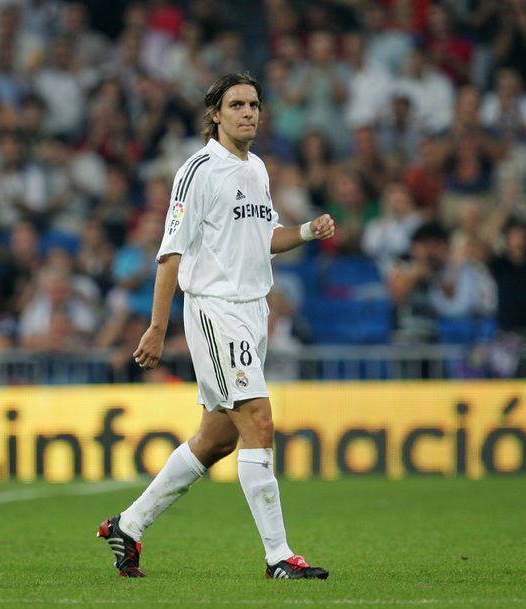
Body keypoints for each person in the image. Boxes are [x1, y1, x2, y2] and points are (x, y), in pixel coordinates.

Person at [96, 73, 334, 580]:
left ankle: (129, 525)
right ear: (216, 114)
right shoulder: (197, 170)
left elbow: (264, 237)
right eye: (238, 105)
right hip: (215, 310)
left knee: (217, 439)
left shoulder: (258, 169)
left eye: (254, 104)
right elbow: (170, 254)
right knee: (259, 421)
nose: (249, 112)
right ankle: (279, 558)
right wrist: (157, 327)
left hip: (253, 312)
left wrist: (309, 231)